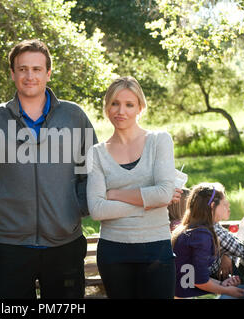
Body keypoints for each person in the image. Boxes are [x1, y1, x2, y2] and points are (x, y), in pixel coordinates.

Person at [0, 39, 98, 299]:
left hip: (65, 244)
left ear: (48, 73)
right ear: (12, 73)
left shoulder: (74, 116)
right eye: (23, 69)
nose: (30, 76)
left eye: (37, 69)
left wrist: (76, 208)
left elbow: (93, 169)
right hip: (12, 245)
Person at [86, 76, 177, 299]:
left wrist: (115, 194)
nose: (121, 111)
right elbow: (97, 210)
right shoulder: (96, 153)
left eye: (129, 104)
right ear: (107, 108)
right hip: (113, 251)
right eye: (115, 103)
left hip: (156, 247)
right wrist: (152, 202)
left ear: (140, 108)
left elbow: (165, 193)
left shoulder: (159, 141)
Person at [172, 182, 244, 298]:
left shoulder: (189, 229)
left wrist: (222, 284)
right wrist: (226, 291)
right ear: (212, 206)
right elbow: (200, 281)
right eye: (224, 204)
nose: (227, 206)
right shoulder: (202, 236)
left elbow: (195, 275)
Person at [211, 198, 244, 281]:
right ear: (212, 206)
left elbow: (234, 243)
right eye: (224, 204)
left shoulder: (214, 226)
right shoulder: (213, 230)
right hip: (217, 283)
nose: (229, 206)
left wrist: (226, 254)